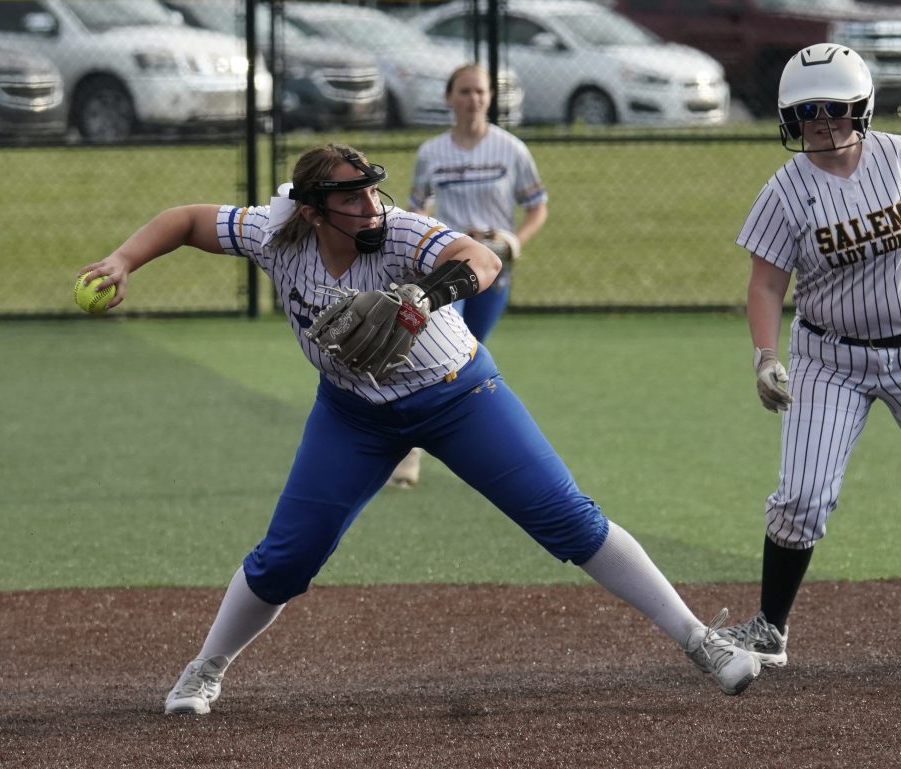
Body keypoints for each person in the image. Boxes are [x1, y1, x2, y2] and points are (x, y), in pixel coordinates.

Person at [76, 142, 760, 715]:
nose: (370, 205)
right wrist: (123, 260)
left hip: (459, 395)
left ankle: (700, 638)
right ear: (312, 211)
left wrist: (428, 295)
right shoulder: (274, 235)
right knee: (287, 556)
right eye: (350, 198)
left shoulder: (400, 231)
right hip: (354, 414)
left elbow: (482, 260)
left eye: (371, 190)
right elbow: (187, 220)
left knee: (568, 520)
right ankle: (206, 667)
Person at [719, 43, 901, 666]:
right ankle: (770, 628)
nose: (821, 121)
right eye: (806, 111)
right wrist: (765, 356)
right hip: (830, 360)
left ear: (862, 107)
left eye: (834, 107)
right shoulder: (785, 191)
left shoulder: (897, 159)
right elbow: (767, 285)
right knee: (801, 499)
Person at [389, 63, 548, 488]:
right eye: (464, 91)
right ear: (449, 98)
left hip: (493, 268)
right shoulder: (432, 152)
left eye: (480, 91)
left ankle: (458, 443)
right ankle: (409, 449)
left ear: (490, 97)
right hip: (449, 267)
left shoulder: (511, 149)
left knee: (470, 356)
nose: (473, 99)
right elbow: (417, 207)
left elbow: (537, 207)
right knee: (439, 353)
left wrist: (514, 241)